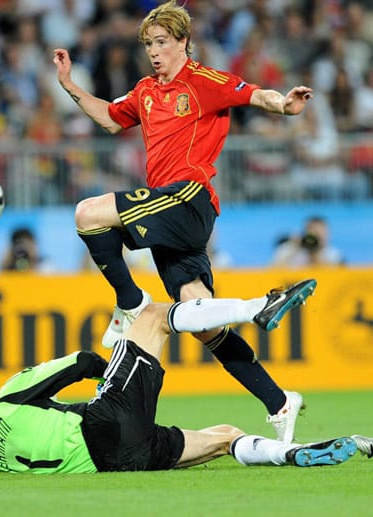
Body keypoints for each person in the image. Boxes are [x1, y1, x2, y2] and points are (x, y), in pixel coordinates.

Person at [51, 0, 314, 443]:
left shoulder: (204, 81)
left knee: (88, 213)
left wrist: (285, 105)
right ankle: (280, 401)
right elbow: (111, 120)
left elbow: (254, 93)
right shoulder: (146, 90)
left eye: (161, 43)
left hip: (188, 197)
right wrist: (68, 84)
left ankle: (131, 302)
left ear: (182, 42)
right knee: (202, 320)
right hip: (168, 211)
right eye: (149, 44)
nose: (154, 52)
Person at [0, 279, 361, 473]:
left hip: (119, 462)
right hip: (106, 424)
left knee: (223, 438)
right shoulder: (8, 397)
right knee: (154, 315)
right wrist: (115, 376)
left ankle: (289, 454)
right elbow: (82, 361)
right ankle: (257, 307)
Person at [272, 215, 344, 267]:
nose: (316, 237)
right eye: (312, 232)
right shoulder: (291, 250)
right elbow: (271, 271)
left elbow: (339, 277)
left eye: (319, 233)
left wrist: (315, 255)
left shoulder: (333, 255)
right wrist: (295, 246)